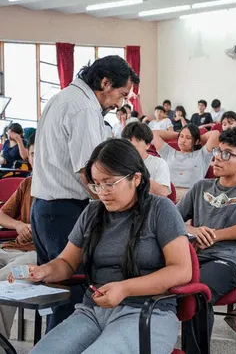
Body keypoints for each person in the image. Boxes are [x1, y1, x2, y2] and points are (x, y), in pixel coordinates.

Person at [25, 139, 192, 354]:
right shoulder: (93, 212)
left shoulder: (160, 209)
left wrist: (125, 288)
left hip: (148, 312)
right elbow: (67, 262)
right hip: (93, 312)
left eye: (109, 183)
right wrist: (44, 271)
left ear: (136, 179)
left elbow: (182, 270)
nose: (101, 191)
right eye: (96, 184)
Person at [31, 55, 138, 331]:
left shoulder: (62, 98)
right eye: (121, 94)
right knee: (73, 295)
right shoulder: (83, 108)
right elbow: (89, 173)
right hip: (66, 209)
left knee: (59, 294)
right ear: (105, 82)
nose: (120, 103)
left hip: (46, 207)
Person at [177, 127, 236, 347]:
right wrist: (194, 231)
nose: (218, 158)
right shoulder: (201, 186)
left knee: (196, 291)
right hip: (193, 258)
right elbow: (170, 219)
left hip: (230, 262)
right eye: (218, 152)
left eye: (227, 154)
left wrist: (216, 236)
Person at [0, 132, 37, 337]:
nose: (36, 159)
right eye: (32, 154)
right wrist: (18, 225)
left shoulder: (66, 188)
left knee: (4, 283)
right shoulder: (27, 184)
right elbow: (2, 215)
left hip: (39, 256)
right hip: (12, 248)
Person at [152, 124, 217, 201]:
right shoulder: (168, 152)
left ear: (196, 141)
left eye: (188, 138)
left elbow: (215, 134)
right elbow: (154, 134)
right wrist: (178, 135)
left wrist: (197, 138)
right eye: (181, 137)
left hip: (192, 197)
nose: (183, 140)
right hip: (169, 196)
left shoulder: (202, 155)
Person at [121, 122, 171, 197]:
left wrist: (139, 178)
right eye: (129, 141)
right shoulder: (120, 163)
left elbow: (163, 192)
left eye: (138, 140)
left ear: (147, 145)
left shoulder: (159, 163)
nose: (132, 144)